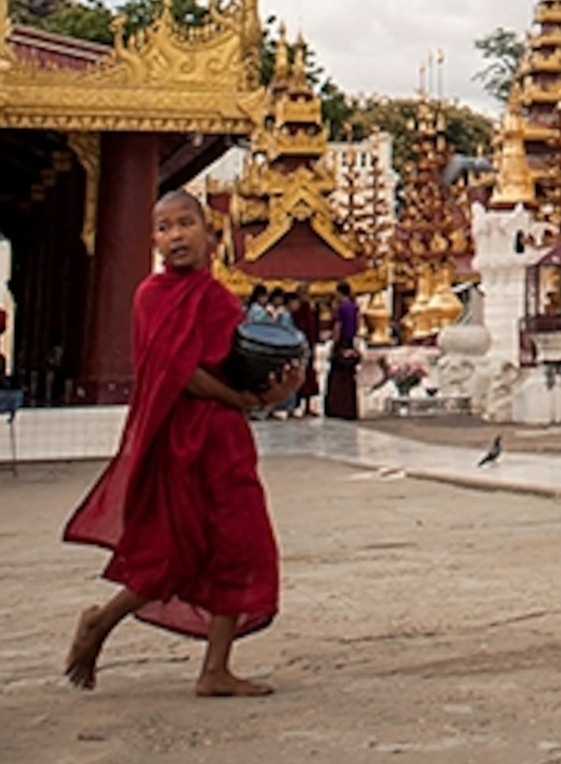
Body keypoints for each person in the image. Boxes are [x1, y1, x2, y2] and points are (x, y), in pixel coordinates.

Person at [63, 191, 294, 697]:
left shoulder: (218, 298)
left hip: (225, 440)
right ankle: (101, 622)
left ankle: (216, 669)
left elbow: (240, 369)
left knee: (241, 541)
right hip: (177, 434)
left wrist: (274, 390)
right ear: (154, 242)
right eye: (164, 228)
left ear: (209, 234)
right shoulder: (152, 294)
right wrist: (240, 398)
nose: (176, 236)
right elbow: (180, 374)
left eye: (185, 224)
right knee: (171, 550)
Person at [323, 283, 362, 422]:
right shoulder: (354, 307)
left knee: (338, 378)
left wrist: (334, 343)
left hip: (342, 343)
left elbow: (338, 327)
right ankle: (349, 408)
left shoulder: (341, 308)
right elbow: (357, 325)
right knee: (349, 378)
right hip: (350, 342)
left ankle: (337, 408)